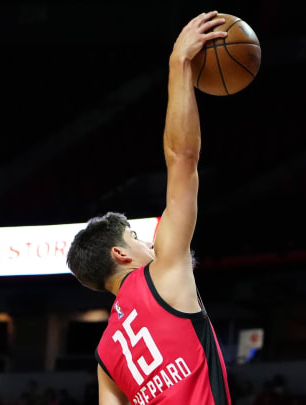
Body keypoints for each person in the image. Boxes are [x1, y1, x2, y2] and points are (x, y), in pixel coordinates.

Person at [66, 11, 231, 405]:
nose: (150, 245)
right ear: (120, 254)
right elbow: (182, 158)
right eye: (136, 237)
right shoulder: (163, 274)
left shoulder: (106, 358)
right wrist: (179, 65)